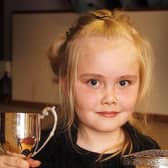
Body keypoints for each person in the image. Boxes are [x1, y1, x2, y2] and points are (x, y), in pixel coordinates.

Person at [0, 9, 160, 168]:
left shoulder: (148, 153)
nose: (110, 98)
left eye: (123, 82)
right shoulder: (41, 150)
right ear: (65, 84)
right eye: (94, 82)